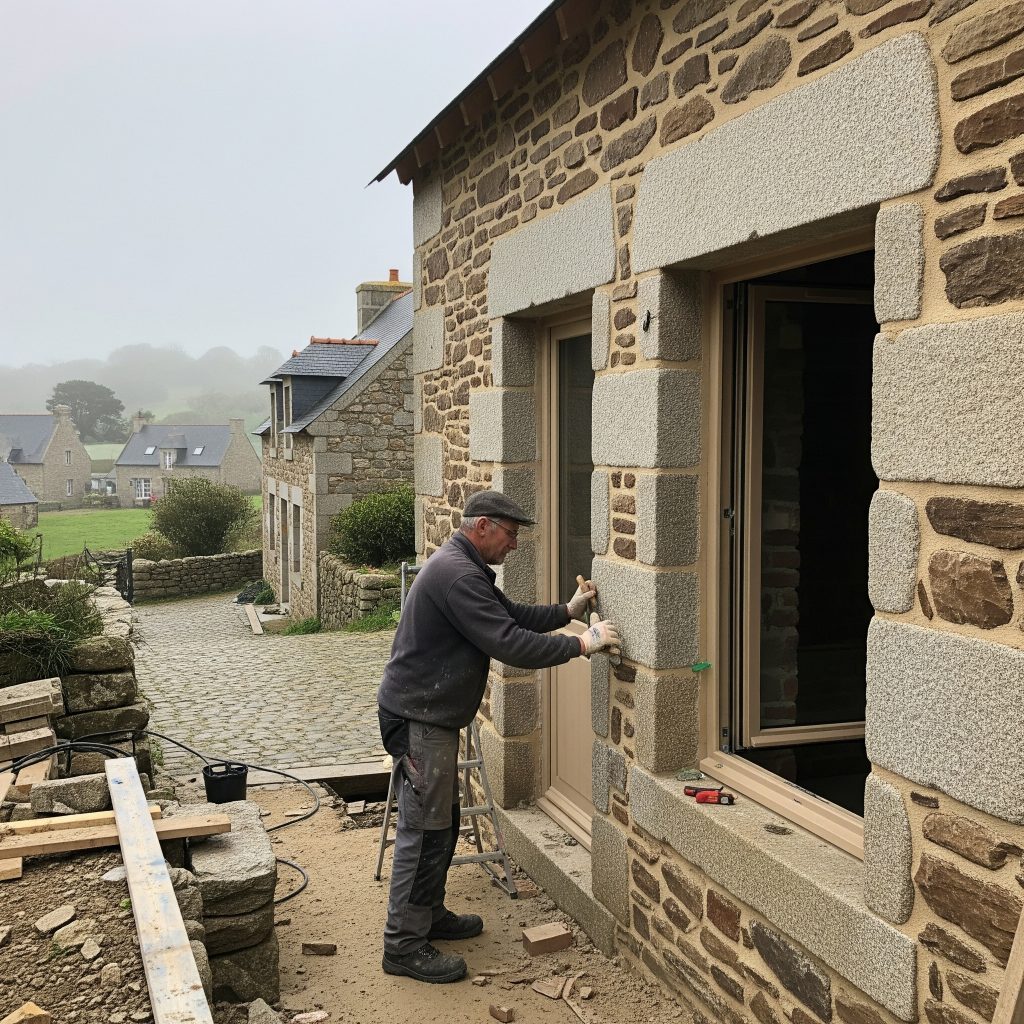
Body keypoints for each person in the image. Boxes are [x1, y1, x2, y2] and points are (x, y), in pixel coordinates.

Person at [376, 489, 620, 984]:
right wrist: (581, 643)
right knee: (423, 832)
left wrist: (565, 610)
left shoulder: (463, 566)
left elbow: (508, 614)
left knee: (442, 824)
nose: (514, 545)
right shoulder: (458, 574)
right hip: (420, 718)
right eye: (510, 535)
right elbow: (509, 643)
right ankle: (402, 945)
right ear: (483, 526)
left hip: (428, 715)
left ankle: (429, 916)